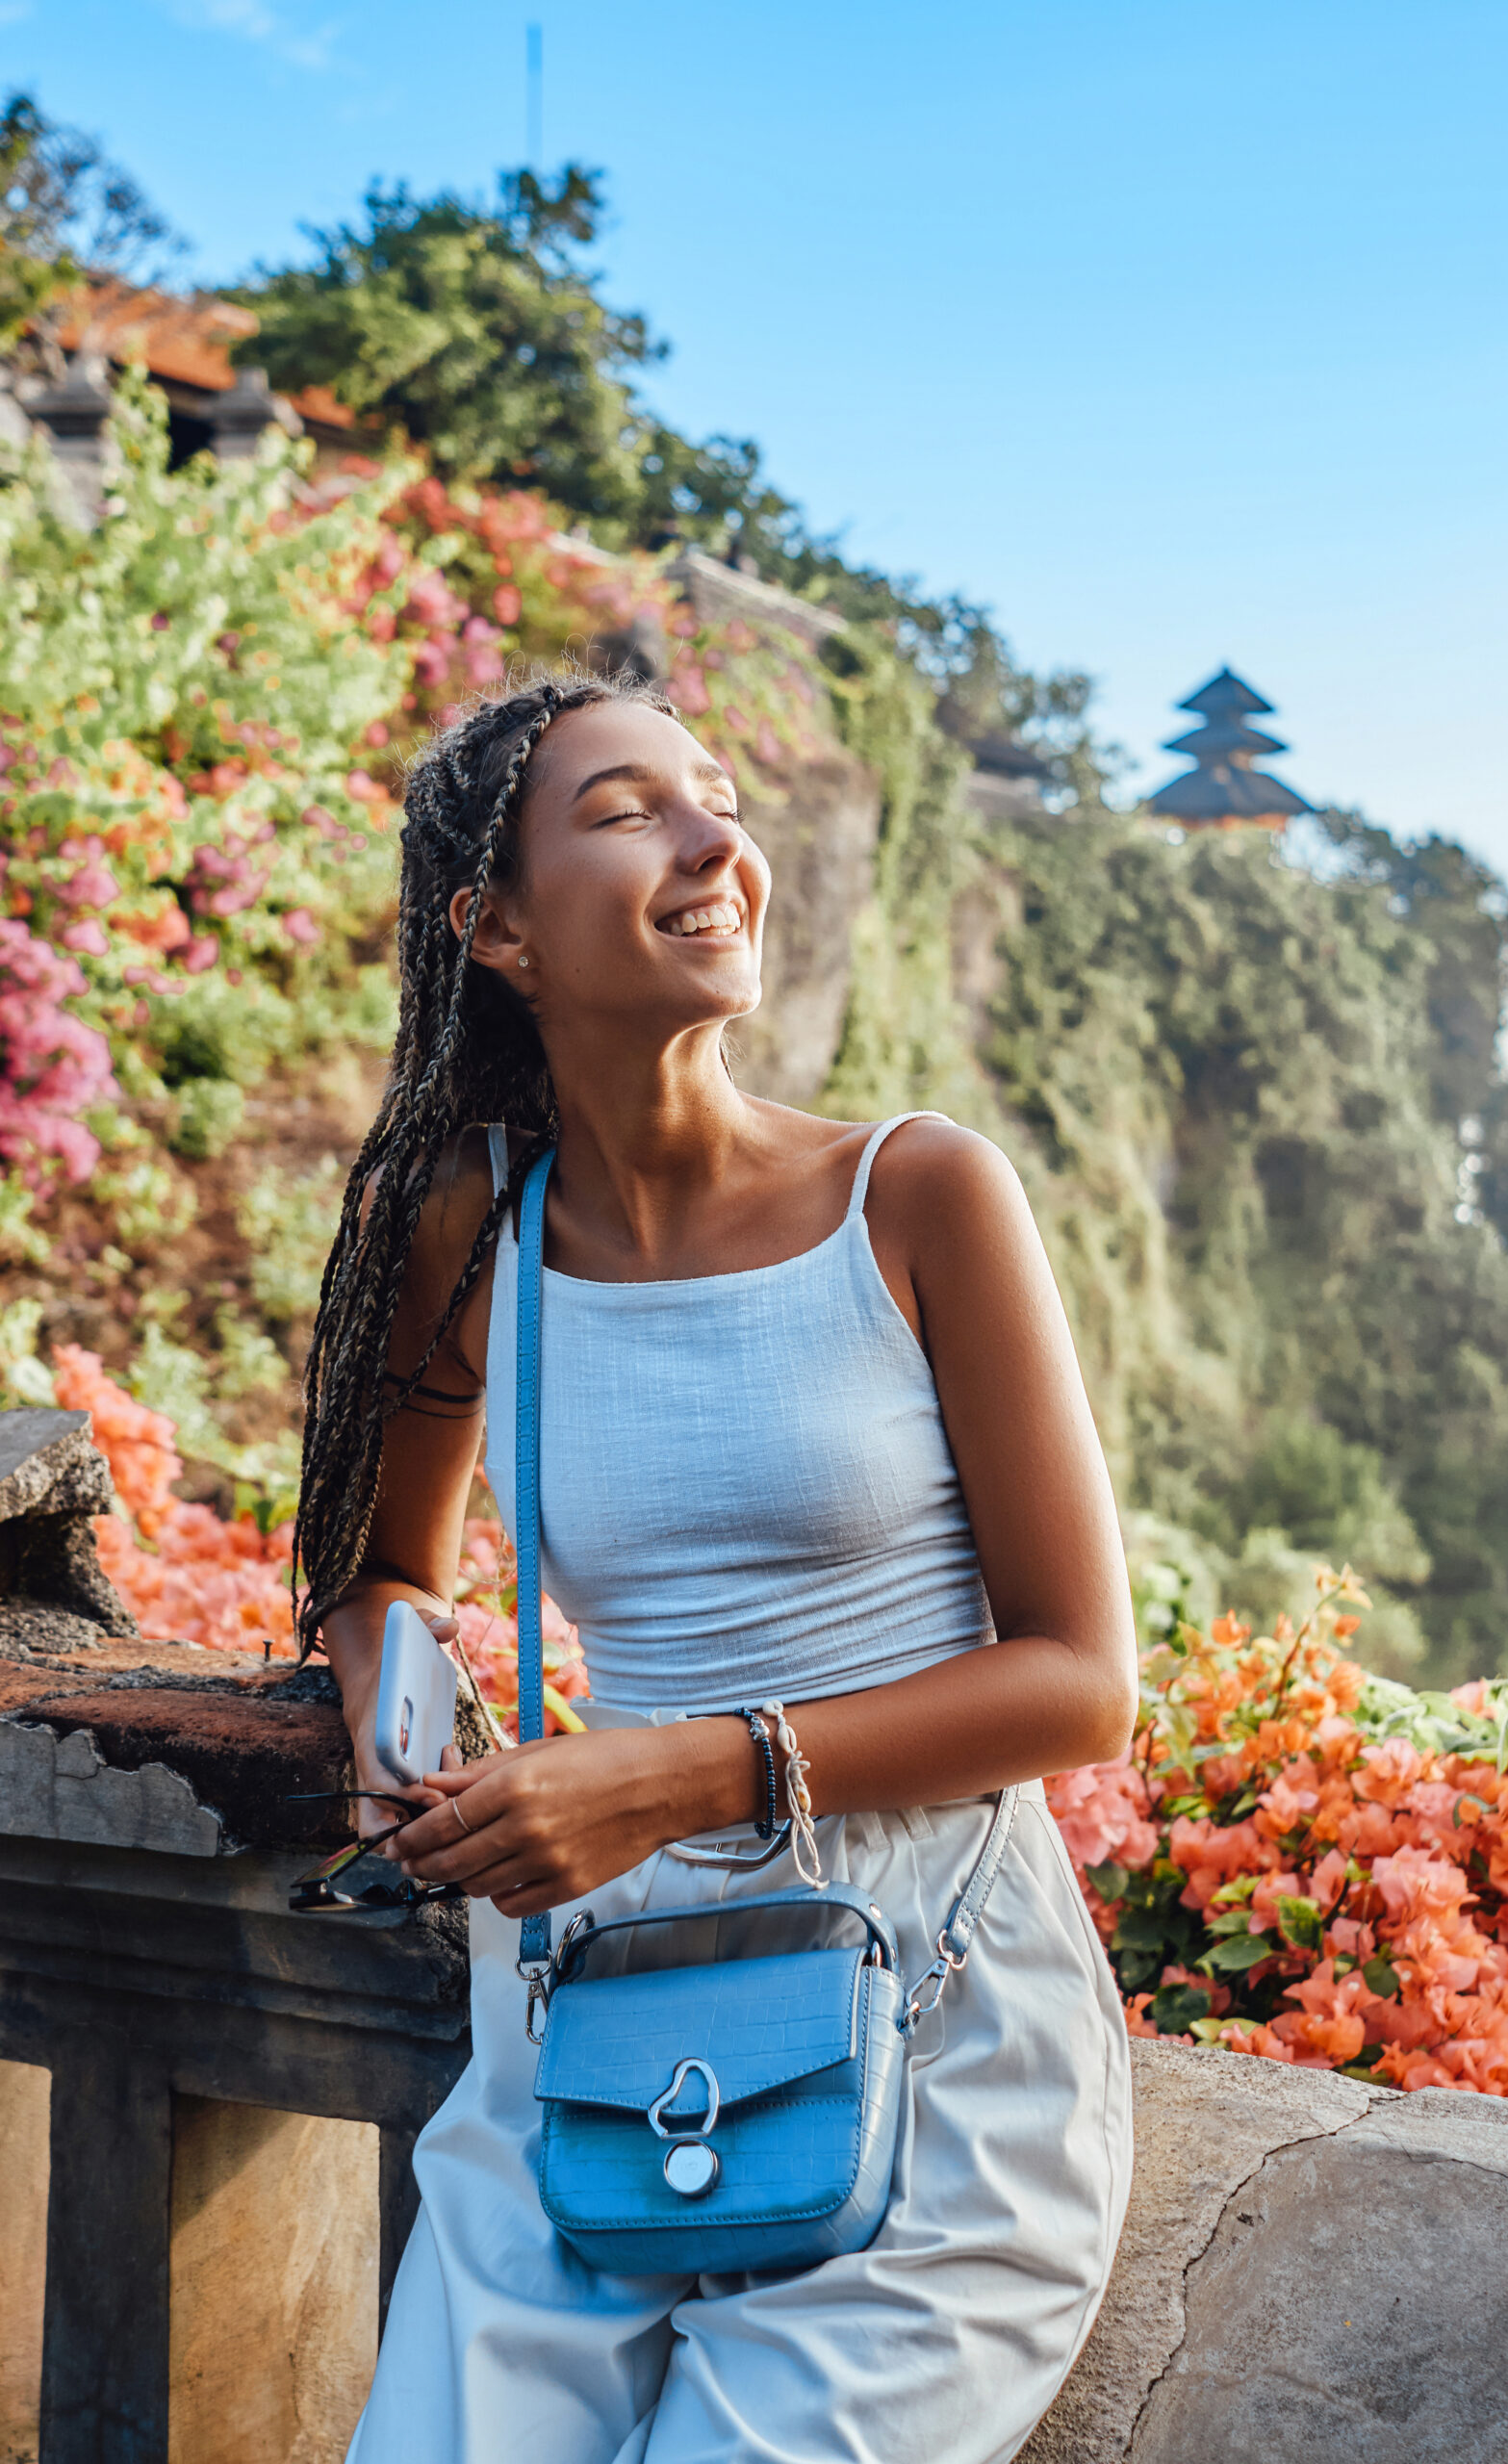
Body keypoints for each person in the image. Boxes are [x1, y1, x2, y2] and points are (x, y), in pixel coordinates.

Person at [295, 669, 1138, 2464]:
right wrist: (397, 1711)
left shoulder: (919, 1197)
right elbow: (380, 1576)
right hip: (595, 1991)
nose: (712, 845)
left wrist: (683, 1773)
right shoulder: (464, 1226)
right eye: (628, 814)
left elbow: (1082, 1684)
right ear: (497, 929)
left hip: (934, 1990)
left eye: (719, 803)